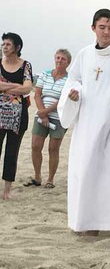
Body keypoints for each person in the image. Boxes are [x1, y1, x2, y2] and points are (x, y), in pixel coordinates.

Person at [58, 9, 110, 235]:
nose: (106, 32)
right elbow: (74, 80)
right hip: (86, 122)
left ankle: (103, 221)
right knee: (83, 171)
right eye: (102, 27)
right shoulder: (84, 55)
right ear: (93, 28)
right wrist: (74, 92)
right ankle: (84, 220)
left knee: (107, 174)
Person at [24, 49, 71, 189]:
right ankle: (37, 176)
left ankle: (50, 179)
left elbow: (63, 100)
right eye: (57, 57)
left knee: (53, 149)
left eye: (63, 59)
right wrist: (42, 113)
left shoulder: (69, 80)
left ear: (68, 63)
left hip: (58, 116)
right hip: (41, 114)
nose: (59, 61)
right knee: (35, 146)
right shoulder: (45, 74)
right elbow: (37, 94)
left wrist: (46, 112)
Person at [0, 32, 33, 199]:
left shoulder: (25, 66)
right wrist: (15, 85)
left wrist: (4, 86)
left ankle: (7, 189)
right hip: (0, 116)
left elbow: (27, 88)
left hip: (18, 118)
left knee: (12, 153)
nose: (4, 47)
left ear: (17, 47)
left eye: (8, 44)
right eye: (3, 44)